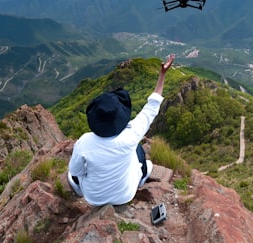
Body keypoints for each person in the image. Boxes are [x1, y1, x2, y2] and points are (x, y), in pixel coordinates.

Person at [68, 55, 175, 206]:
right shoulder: (131, 135)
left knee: (74, 173)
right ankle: (142, 177)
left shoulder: (84, 142)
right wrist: (162, 74)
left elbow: (75, 171)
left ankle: (82, 190)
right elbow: (151, 108)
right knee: (138, 150)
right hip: (124, 196)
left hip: (94, 199)